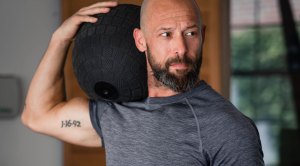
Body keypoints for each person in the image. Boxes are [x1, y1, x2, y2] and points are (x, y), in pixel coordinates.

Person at [22, 0, 264, 165]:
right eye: (165, 34)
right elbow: (38, 116)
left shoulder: (227, 128)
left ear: (203, 34)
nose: (180, 48)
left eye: (190, 33)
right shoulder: (117, 111)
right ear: (141, 40)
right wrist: (60, 39)